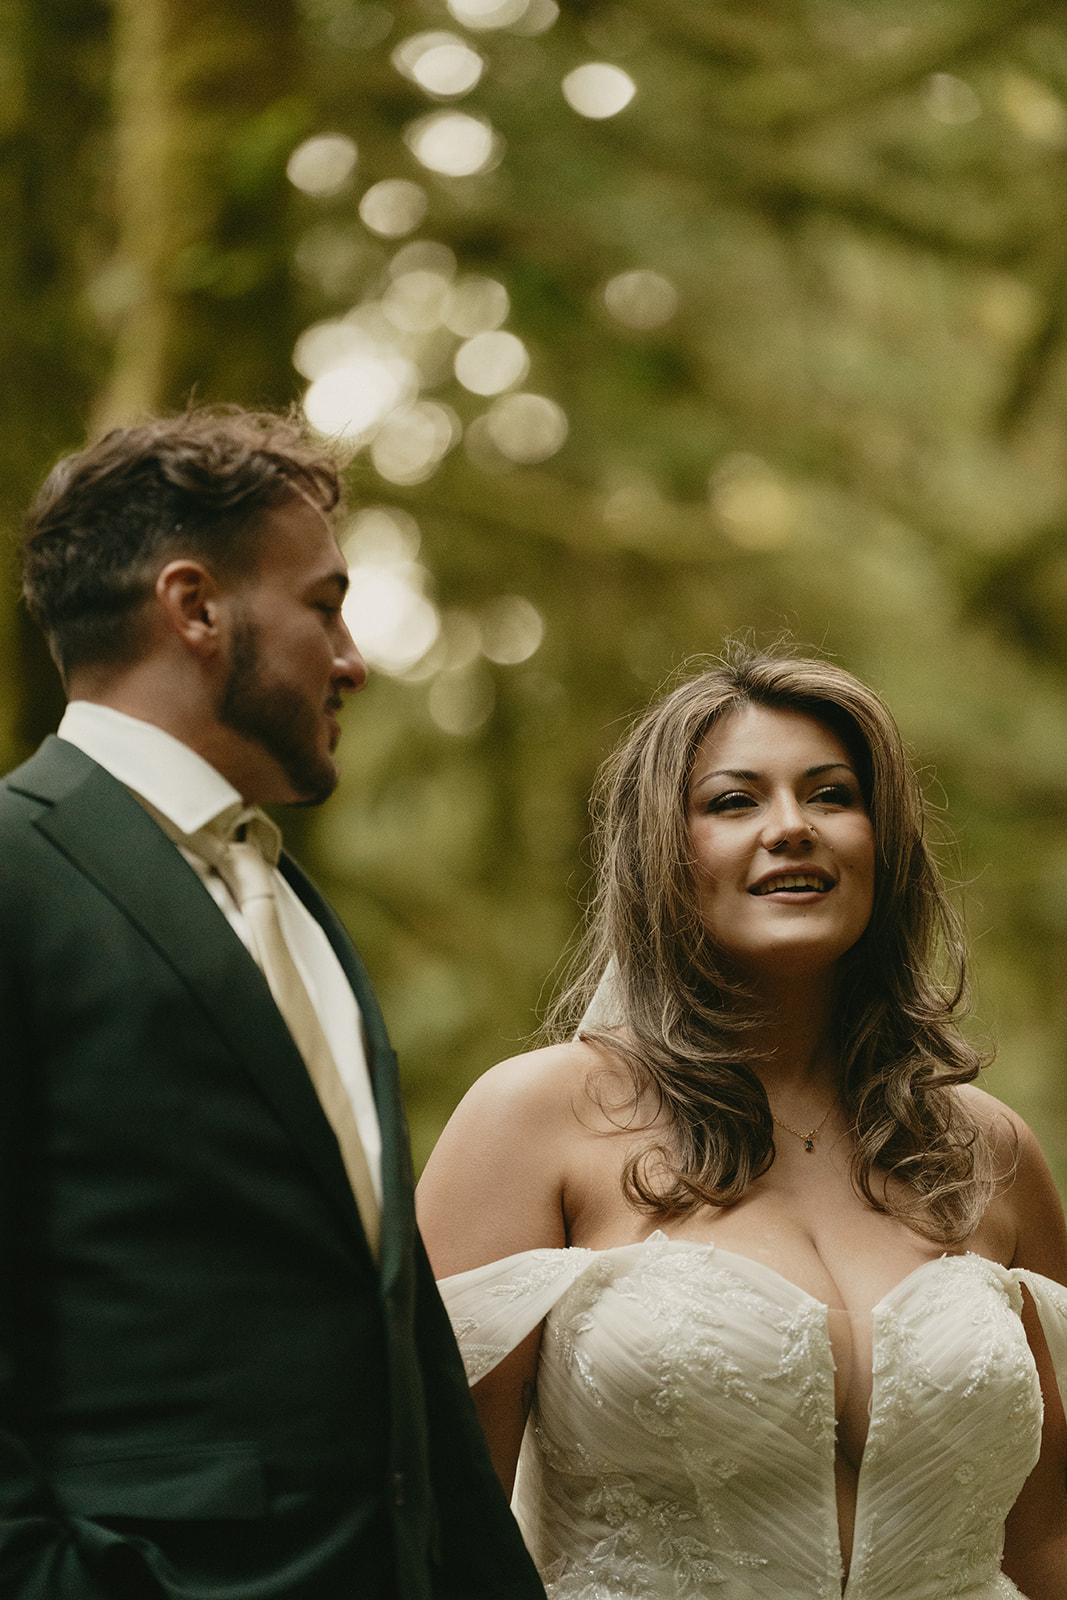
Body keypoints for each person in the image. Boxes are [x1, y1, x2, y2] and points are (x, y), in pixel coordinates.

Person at [0, 406, 545, 1600]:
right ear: (195, 607)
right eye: (323, 606)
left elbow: (392, 1332)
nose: (352, 660)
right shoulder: (15, 872)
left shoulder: (291, 902)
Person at [417, 646, 1067, 1600]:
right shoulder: (531, 1123)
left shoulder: (986, 1152)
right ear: (662, 854)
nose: (791, 826)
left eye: (831, 795)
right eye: (733, 801)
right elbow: (434, 1529)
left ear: (881, 844)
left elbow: (1044, 1540)